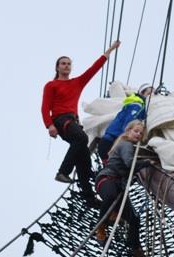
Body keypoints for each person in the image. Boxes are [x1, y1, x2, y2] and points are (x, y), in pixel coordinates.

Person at [41, 41, 121, 203]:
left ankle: (89, 197)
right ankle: (63, 172)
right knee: (82, 139)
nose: (66, 66)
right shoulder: (52, 85)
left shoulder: (76, 82)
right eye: (63, 63)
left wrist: (109, 51)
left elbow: (93, 69)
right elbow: (44, 108)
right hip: (60, 120)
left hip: (74, 122)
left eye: (69, 64)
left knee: (83, 158)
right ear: (57, 67)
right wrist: (49, 125)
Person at [94, 119, 147, 257]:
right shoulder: (126, 144)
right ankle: (101, 227)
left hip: (119, 187)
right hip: (107, 179)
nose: (138, 135)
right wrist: (147, 162)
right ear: (128, 131)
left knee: (134, 219)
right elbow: (130, 163)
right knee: (110, 196)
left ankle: (135, 249)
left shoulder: (133, 148)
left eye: (141, 133)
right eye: (136, 131)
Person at [97, 83, 153, 160]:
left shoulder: (138, 105)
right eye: (149, 93)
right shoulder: (137, 105)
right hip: (111, 143)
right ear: (142, 94)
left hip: (108, 142)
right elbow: (128, 125)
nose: (152, 96)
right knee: (116, 168)